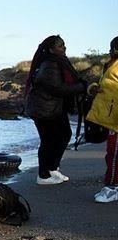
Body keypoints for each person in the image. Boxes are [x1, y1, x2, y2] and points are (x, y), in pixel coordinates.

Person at [23, 35, 86, 185]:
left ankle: (52, 169)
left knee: (63, 135)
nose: (64, 48)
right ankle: (43, 175)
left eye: (64, 45)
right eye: (60, 46)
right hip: (44, 109)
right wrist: (82, 87)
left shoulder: (57, 62)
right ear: (51, 49)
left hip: (53, 107)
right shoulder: (49, 65)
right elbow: (58, 88)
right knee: (49, 140)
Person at [86, 36, 118, 203]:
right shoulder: (111, 64)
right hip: (110, 116)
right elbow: (107, 85)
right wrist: (93, 88)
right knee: (112, 154)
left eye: (113, 48)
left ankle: (112, 188)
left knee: (114, 154)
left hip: (115, 119)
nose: (110, 51)